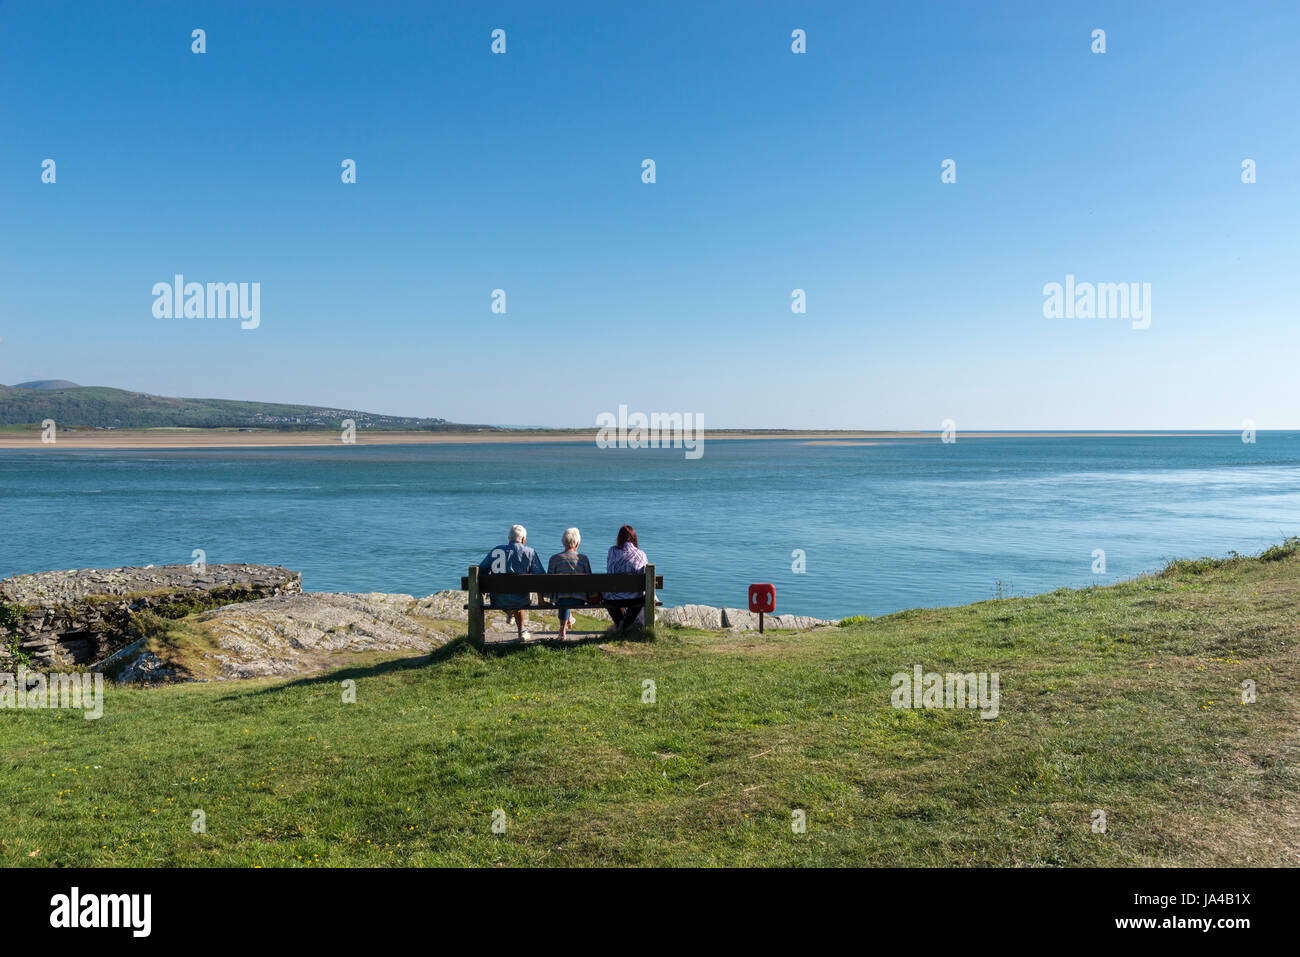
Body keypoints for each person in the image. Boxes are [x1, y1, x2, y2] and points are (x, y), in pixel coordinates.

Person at [478, 524, 545, 640]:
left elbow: (481, 571)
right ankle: (522, 631)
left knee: (513, 593)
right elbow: (541, 577)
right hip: (521, 599)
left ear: (509, 539)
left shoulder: (496, 551)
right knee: (521, 593)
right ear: (523, 539)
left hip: (498, 599)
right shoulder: (530, 552)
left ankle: (510, 612)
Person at [547, 527, 592, 640]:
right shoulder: (583, 559)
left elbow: (548, 582)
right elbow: (591, 581)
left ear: (563, 542)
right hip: (580, 599)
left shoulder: (554, 559)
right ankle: (569, 619)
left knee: (564, 597)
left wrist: (548, 598)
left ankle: (562, 630)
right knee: (569, 593)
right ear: (577, 543)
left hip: (561, 599)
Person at [605, 524, 648, 631]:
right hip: (635, 600)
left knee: (606, 598)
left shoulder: (612, 552)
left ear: (619, 538)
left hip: (614, 599)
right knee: (641, 598)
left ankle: (621, 624)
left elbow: (610, 573)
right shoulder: (641, 554)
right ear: (634, 538)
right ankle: (625, 625)